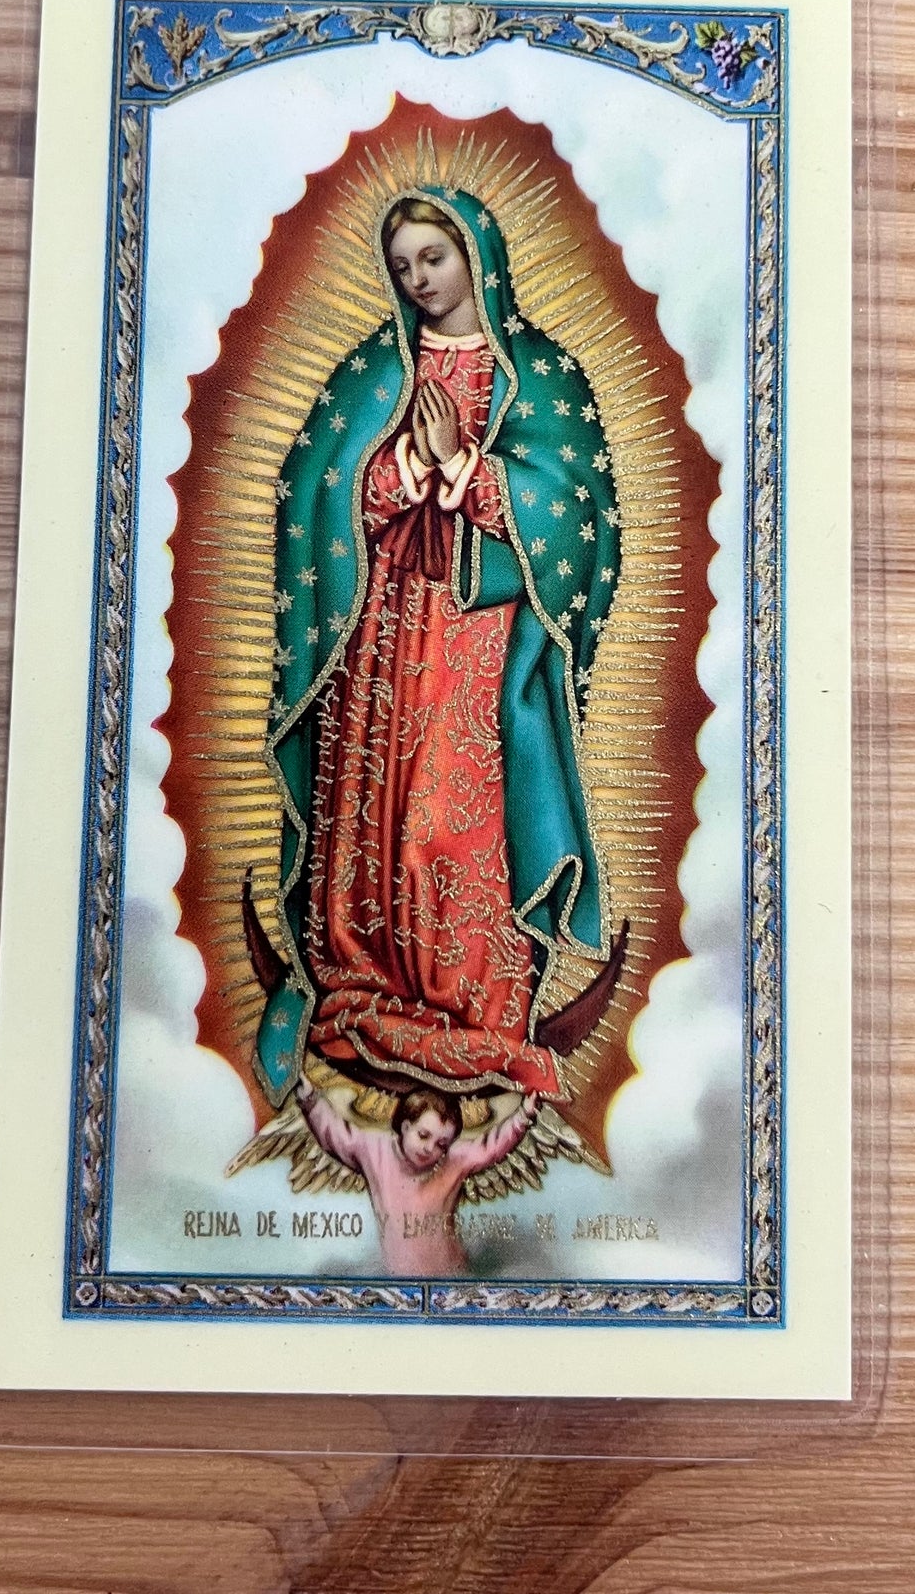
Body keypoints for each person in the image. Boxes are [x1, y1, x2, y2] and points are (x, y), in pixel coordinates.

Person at [251, 185, 623, 1110]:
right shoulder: (374, 371)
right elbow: (316, 486)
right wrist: (405, 465)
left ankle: (473, 1002)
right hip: (379, 629)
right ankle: (363, 980)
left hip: (477, 634)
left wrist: (466, 466)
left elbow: (573, 507)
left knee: (456, 809)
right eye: (403, 265)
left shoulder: (541, 375)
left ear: (476, 255)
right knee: (374, 801)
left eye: (434, 257)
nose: (419, 279)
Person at [295, 1073, 538, 1276]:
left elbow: (491, 1147)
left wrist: (523, 1116)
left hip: (451, 1278)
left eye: (441, 1144)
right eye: (423, 1135)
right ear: (405, 1126)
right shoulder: (375, 1149)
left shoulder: (454, 1161)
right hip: (400, 1283)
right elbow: (336, 1135)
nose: (430, 1148)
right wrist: (310, 1100)